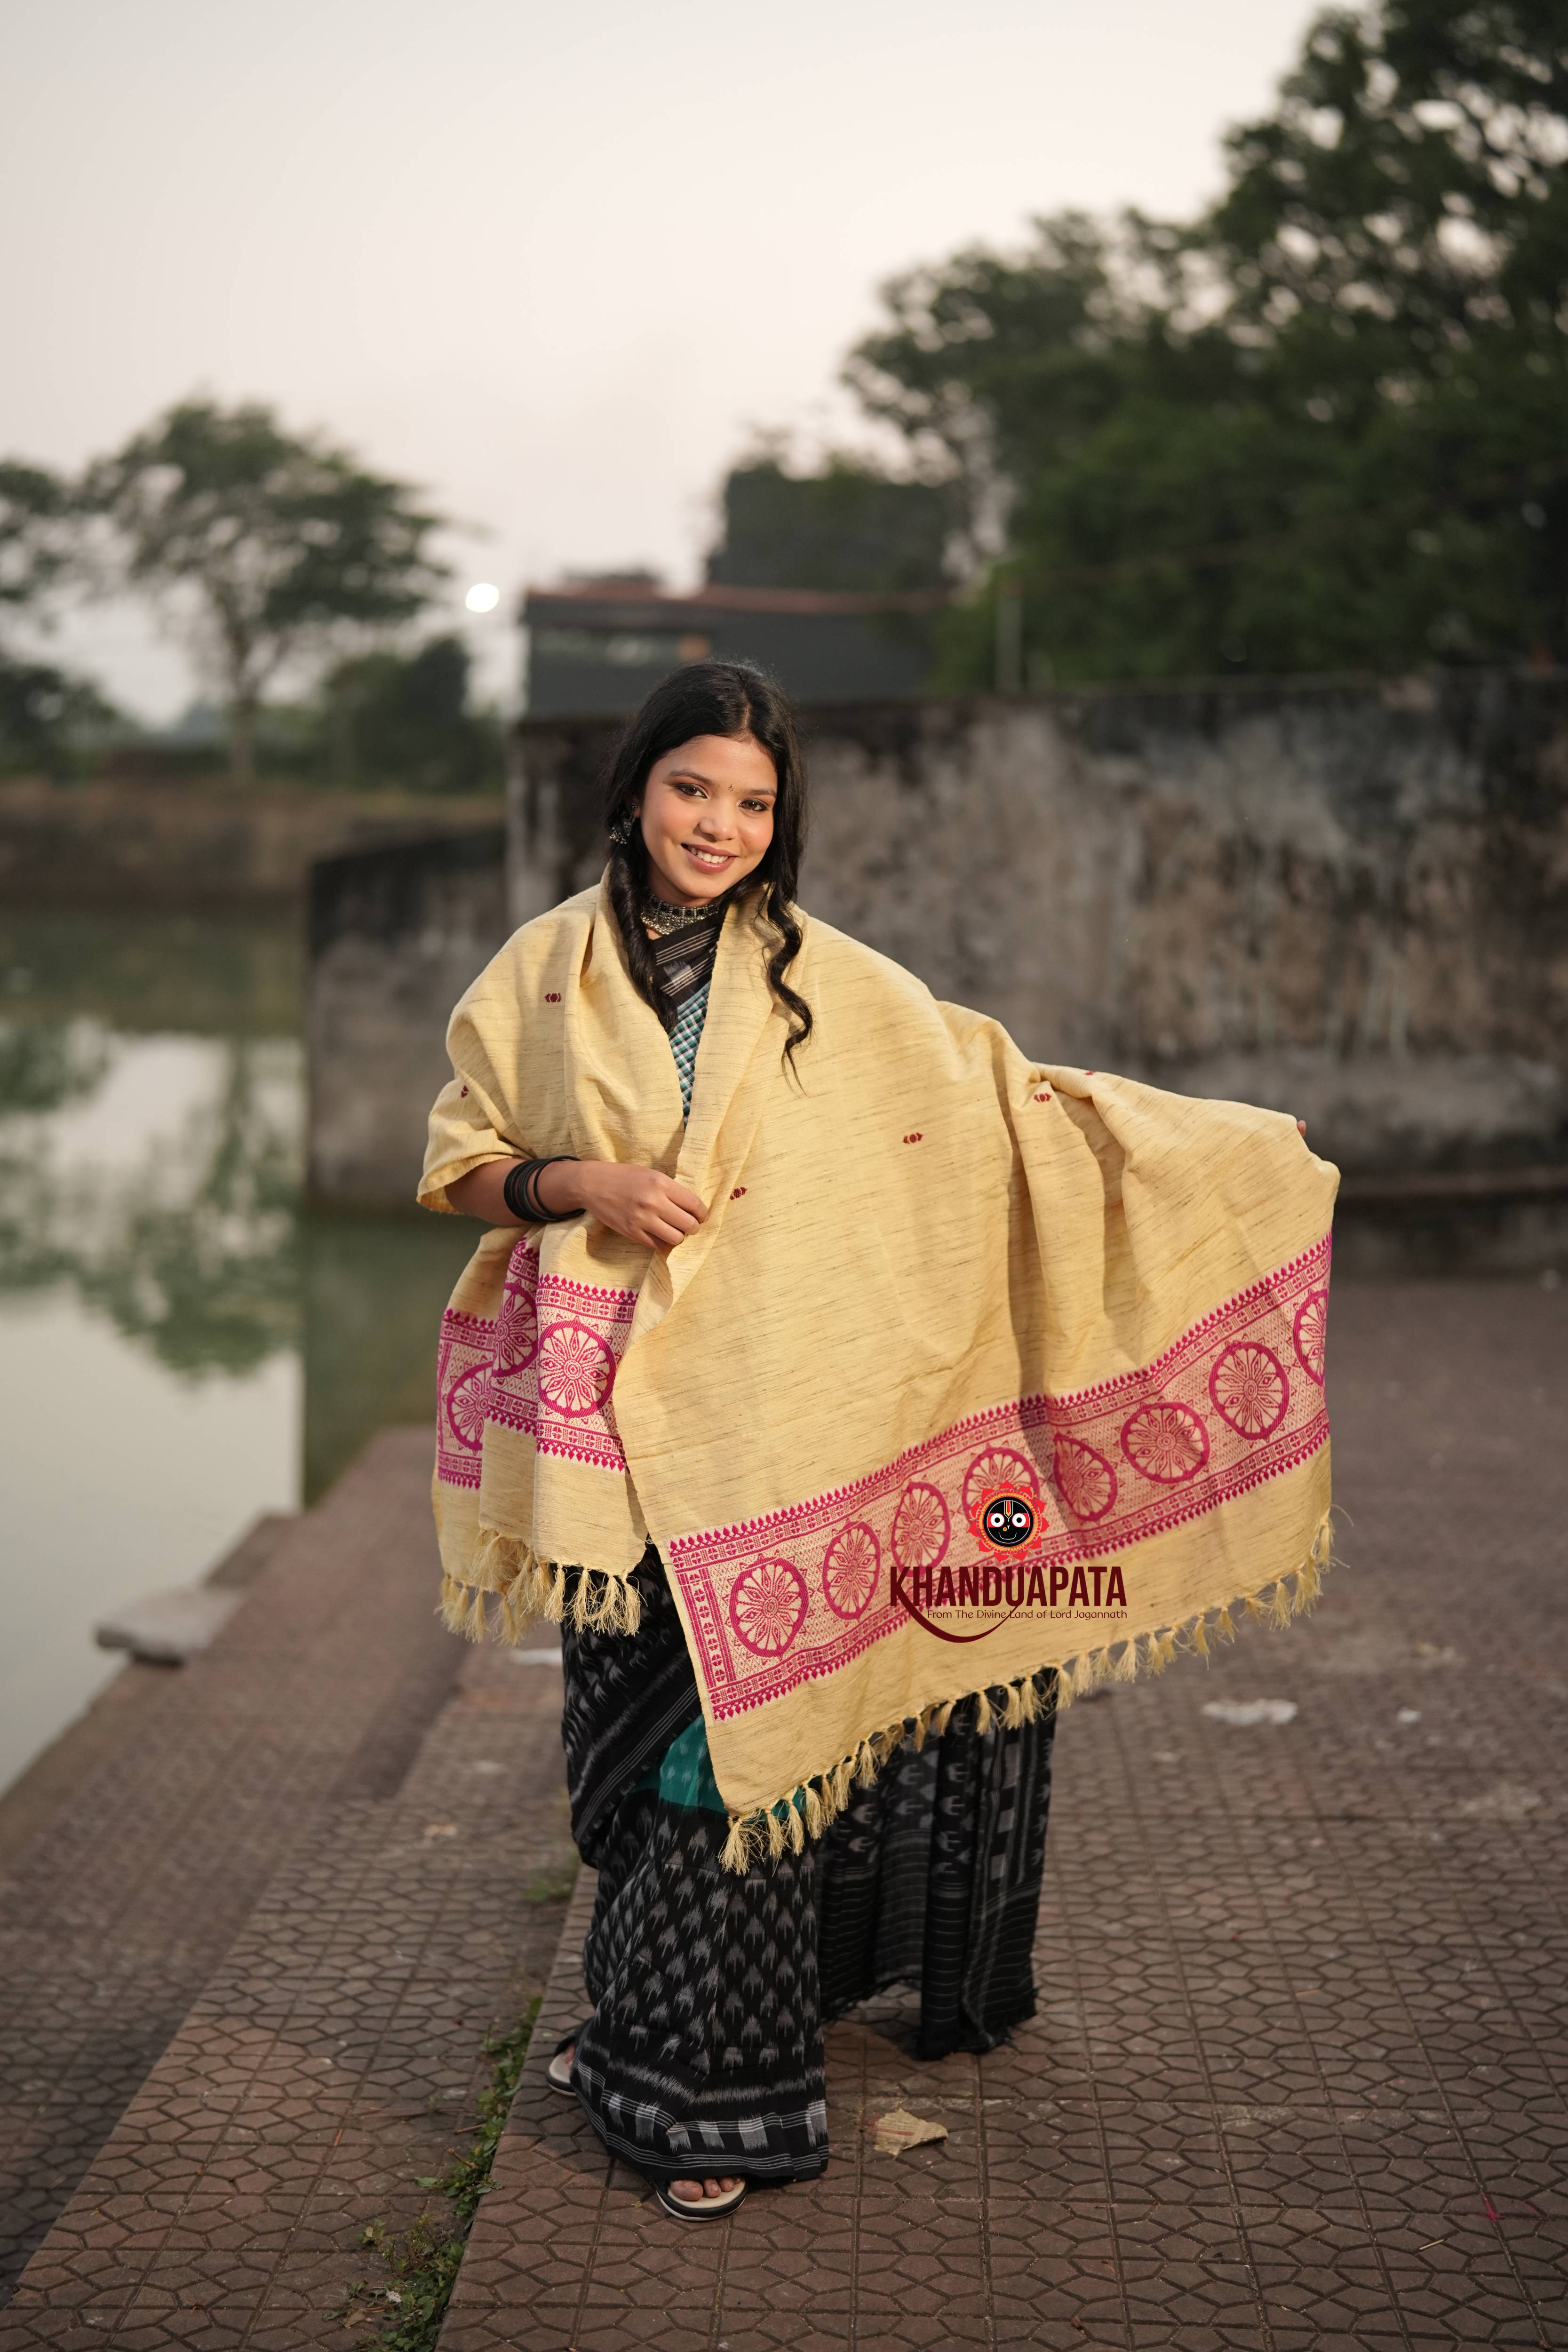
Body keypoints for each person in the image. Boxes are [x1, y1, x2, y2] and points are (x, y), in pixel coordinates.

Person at [419, 660, 1335, 2223]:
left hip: (783, 1424)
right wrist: (587, 1186)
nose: (720, 825)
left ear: (784, 824)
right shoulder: (543, 974)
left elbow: (1003, 1113)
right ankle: (633, 2028)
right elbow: (461, 1166)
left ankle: (726, 2107)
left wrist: (1224, 1164)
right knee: (626, 1762)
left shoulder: (836, 984)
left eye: (754, 804)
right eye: (694, 789)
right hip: (603, 1435)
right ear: (637, 791)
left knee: (739, 1755)